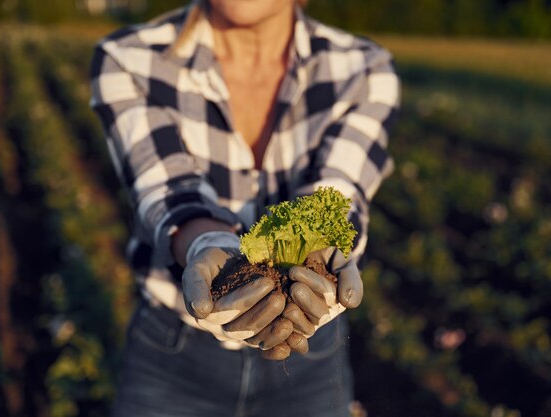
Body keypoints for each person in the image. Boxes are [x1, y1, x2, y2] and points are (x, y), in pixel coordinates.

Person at [90, 0, 399, 415]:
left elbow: (338, 192)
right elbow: (169, 189)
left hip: (310, 356)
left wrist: (316, 258)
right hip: (175, 359)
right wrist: (207, 246)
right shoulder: (132, 60)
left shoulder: (363, 70)